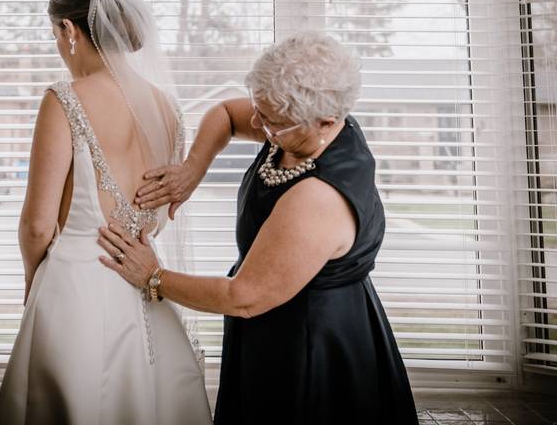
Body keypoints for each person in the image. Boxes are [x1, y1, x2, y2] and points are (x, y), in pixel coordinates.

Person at [98, 32, 418, 424]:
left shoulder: (318, 198)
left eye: (271, 122)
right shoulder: (303, 128)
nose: (256, 124)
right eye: (260, 111)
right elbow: (226, 116)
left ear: (327, 120)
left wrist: (153, 276)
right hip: (271, 324)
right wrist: (192, 170)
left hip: (309, 343)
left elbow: (242, 297)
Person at [0, 0, 211, 424]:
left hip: (74, 287)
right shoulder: (168, 108)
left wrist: (34, 279)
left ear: (69, 31)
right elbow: (159, 209)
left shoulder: (64, 98)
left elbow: (37, 223)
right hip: (146, 283)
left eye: (55, 34)